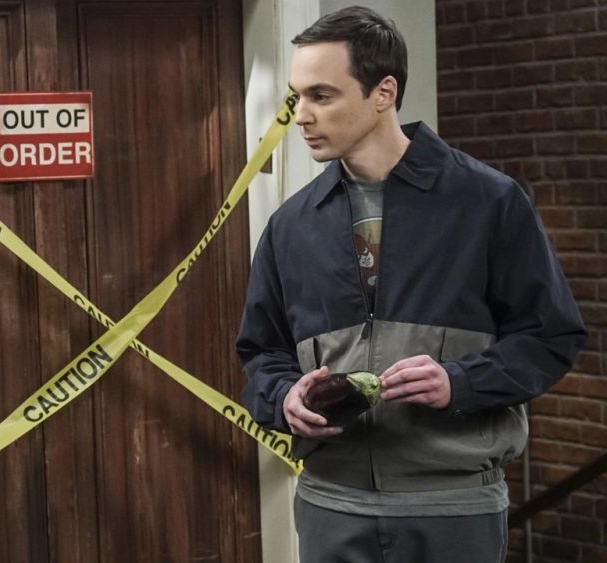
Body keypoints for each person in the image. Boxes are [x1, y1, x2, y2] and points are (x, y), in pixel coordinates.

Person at [236, 6, 585, 562]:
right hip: (330, 508)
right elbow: (262, 351)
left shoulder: (488, 203)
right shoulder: (291, 226)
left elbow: (550, 337)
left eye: (321, 96)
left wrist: (459, 383)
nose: (301, 115)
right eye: (296, 97)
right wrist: (284, 397)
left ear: (384, 92)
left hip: (453, 510)